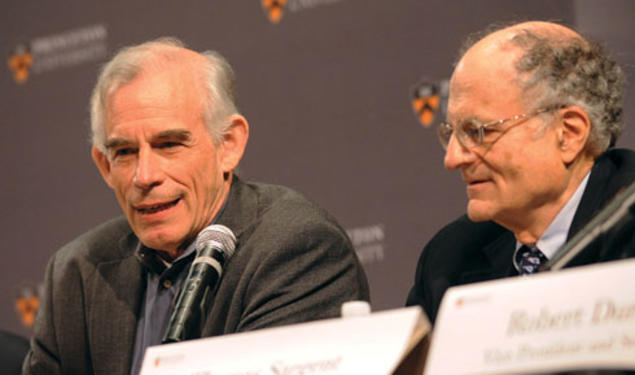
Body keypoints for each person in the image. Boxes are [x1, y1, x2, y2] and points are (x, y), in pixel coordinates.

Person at [23, 37, 369, 375]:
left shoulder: (298, 248)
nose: (144, 176)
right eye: (125, 152)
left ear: (228, 145)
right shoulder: (77, 272)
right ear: (105, 166)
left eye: (169, 144)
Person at [407, 21, 634, 325]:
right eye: (452, 133)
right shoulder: (449, 259)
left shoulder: (627, 230)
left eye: (477, 132)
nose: (453, 159)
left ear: (568, 133)